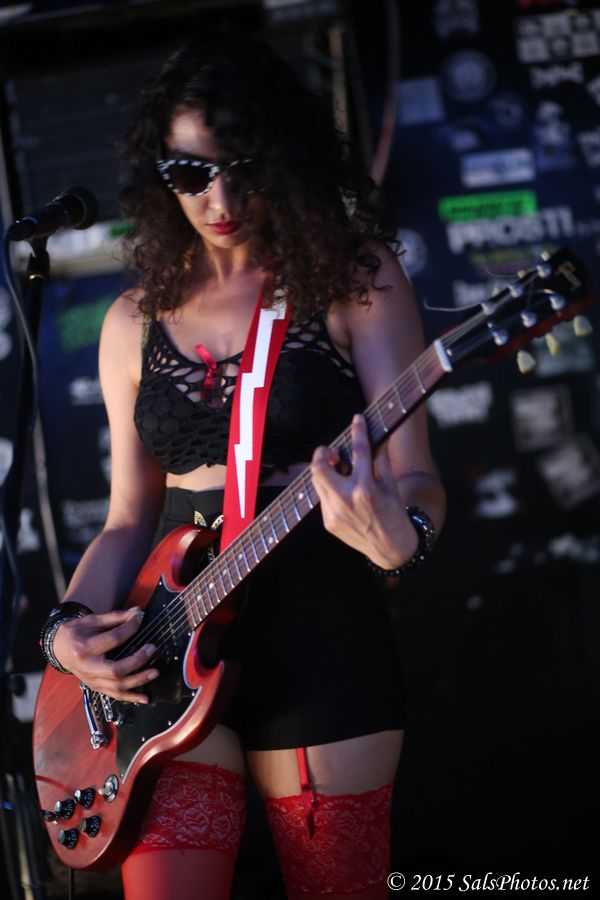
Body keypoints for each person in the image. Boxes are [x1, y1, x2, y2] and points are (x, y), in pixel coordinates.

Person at [46, 31, 446, 900]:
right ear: (159, 173)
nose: (219, 197)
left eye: (243, 167)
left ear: (285, 157)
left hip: (321, 640)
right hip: (168, 653)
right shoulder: (132, 320)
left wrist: (402, 536)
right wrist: (65, 630)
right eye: (191, 173)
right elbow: (127, 520)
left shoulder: (355, 279)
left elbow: (416, 479)